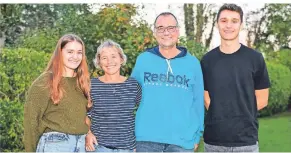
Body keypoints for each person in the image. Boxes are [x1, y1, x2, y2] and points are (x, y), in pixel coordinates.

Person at [201, 4, 270, 152]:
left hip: (246, 142)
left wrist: (237, 114)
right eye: (224, 20)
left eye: (234, 21)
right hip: (214, 142)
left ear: (241, 25)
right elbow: (206, 98)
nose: (228, 25)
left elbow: (263, 99)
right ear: (217, 24)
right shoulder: (207, 60)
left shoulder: (255, 58)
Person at [131, 12, 204, 152]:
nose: (166, 32)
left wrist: (196, 136)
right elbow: (130, 97)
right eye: (161, 28)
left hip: (181, 141)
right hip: (146, 140)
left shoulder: (193, 63)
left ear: (177, 31)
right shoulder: (143, 60)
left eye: (170, 28)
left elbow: (198, 102)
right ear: (154, 32)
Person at [23, 34, 90, 152]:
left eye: (79, 52)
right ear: (60, 53)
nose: (75, 56)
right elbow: (31, 121)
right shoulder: (45, 81)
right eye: (70, 52)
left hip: (81, 145)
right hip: (55, 145)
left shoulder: (83, 82)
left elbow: (85, 117)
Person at [85, 40, 142, 152]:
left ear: (121, 59)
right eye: (104, 58)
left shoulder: (133, 85)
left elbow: (145, 112)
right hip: (98, 148)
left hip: (127, 149)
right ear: (99, 62)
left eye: (113, 56)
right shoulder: (91, 85)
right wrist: (88, 133)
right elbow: (83, 114)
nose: (109, 61)